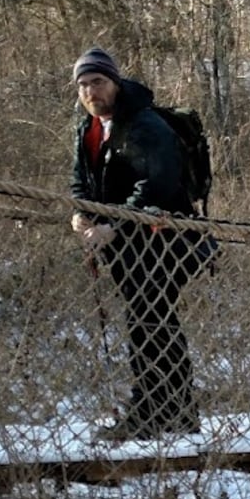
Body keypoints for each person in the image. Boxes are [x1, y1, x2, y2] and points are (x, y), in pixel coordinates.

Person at [69, 47, 205, 441]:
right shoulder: (89, 130)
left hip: (165, 241)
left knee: (151, 322)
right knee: (149, 321)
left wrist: (113, 223)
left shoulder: (145, 126)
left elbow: (158, 185)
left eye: (98, 82)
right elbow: (82, 180)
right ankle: (170, 413)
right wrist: (81, 214)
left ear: (115, 82)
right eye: (83, 85)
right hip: (126, 246)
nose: (91, 91)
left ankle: (156, 412)